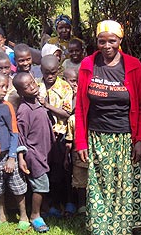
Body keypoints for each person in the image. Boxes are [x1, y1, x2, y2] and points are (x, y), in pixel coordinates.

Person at [75, 20, 141, 234]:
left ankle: (122, 227)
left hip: (125, 137)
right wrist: (81, 141)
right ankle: (101, 227)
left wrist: (140, 140)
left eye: (112, 41)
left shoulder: (133, 66)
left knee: (122, 185)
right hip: (97, 136)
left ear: (120, 41)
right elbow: (80, 107)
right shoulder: (88, 65)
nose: (107, 46)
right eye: (102, 41)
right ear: (96, 42)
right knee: (99, 184)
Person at [0, 71, 30, 232]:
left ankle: (23, 215)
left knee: (17, 186)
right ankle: (2, 215)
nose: (5, 90)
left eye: (6, 86)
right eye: (1, 86)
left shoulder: (6, 106)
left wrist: (12, 157)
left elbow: (14, 132)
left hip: (7, 155)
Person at [14, 72, 56, 233]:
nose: (33, 86)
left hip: (45, 151)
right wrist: (21, 157)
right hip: (34, 154)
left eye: (33, 82)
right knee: (41, 185)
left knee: (44, 183)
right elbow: (21, 135)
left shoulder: (39, 102)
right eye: (27, 86)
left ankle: (44, 209)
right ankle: (35, 216)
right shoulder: (24, 110)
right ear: (20, 92)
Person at [38, 55, 73, 217]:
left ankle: (62, 203)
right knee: (45, 170)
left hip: (59, 135)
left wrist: (47, 105)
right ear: (41, 71)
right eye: (46, 73)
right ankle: (48, 204)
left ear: (58, 70)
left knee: (60, 171)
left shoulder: (65, 87)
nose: (50, 76)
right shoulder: (37, 85)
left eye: (53, 73)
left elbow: (67, 113)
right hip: (41, 136)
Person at [63, 67, 87, 216]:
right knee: (79, 182)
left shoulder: (88, 120)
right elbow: (69, 142)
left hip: (88, 156)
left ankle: (86, 204)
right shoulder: (72, 120)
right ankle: (80, 205)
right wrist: (67, 156)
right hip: (78, 158)